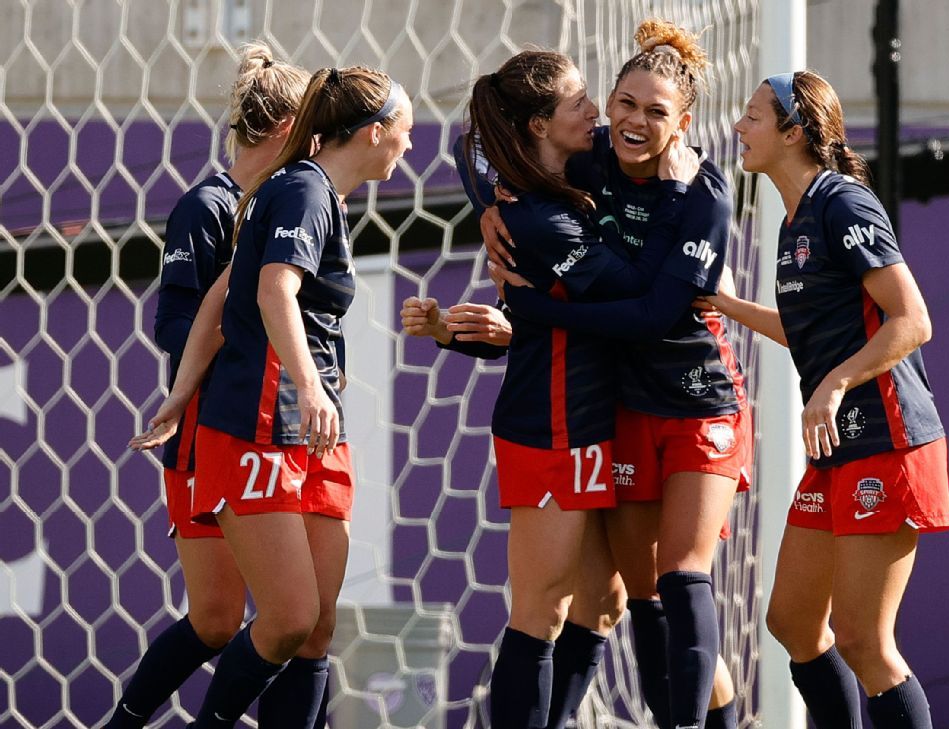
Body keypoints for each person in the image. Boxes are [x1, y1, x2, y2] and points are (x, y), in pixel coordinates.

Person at [481, 19, 747, 729]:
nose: (629, 120)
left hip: (698, 402)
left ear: (681, 123)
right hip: (623, 410)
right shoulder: (589, 160)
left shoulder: (706, 194)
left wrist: (538, 312)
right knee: (617, 598)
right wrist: (487, 207)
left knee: (681, 576)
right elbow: (482, 132)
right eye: (623, 101)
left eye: (655, 111)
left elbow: (657, 313)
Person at [135, 63, 413, 727]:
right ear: (374, 132)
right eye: (406, 132)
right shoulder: (299, 191)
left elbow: (221, 295)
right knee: (274, 619)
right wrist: (309, 385)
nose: (411, 146)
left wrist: (178, 391)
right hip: (260, 425)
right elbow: (266, 291)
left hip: (313, 431)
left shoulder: (319, 195)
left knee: (314, 627)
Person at [708, 70, 949, 729]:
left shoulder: (842, 202)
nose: (738, 127)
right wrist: (727, 304)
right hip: (838, 444)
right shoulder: (795, 219)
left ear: (793, 132)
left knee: (865, 641)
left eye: (753, 116)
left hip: (889, 438)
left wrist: (836, 382)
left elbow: (913, 320)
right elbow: (810, 329)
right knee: (791, 618)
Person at [108, 43, 310, 728]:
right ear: (287, 132)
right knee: (223, 619)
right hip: (206, 433)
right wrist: (243, 335)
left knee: (295, 619)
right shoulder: (210, 207)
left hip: (269, 430)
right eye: (312, 133)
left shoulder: (286, 207)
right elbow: (173, 324)